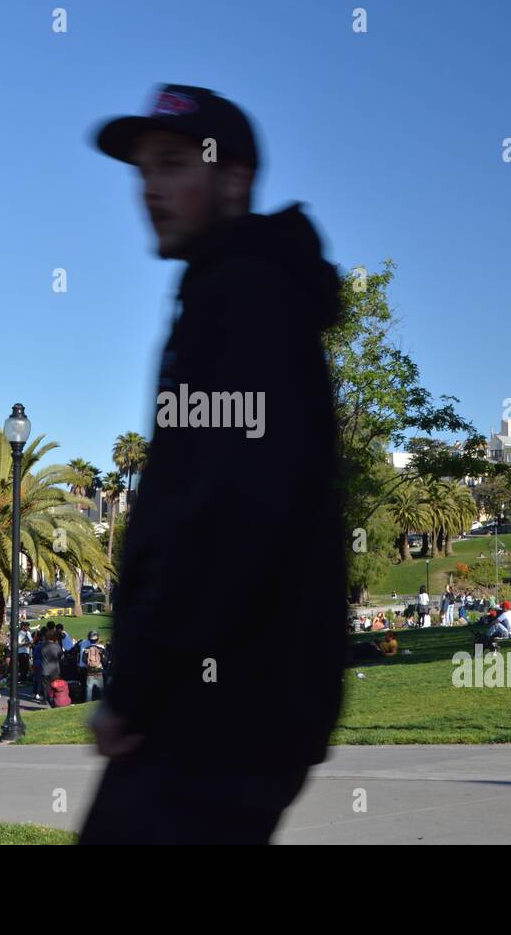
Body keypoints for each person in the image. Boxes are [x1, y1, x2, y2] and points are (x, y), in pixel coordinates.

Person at [80, 85, 346, 845]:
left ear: (232, 179)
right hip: (240, 695)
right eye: (141, 171)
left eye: (171, 166)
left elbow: (226, 508)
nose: (150, 190)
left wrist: (135, 689)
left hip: (216, 703)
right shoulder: (243, 289)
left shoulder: (242, 295)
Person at [81, 630, 107, 702]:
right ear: (97, 639)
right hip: (99, 670)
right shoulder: (101, 649)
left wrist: (89, 663)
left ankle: (88, 701)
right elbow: (105, 660)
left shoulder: (86, 649)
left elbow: (83, 660)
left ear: (89, 639)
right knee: (101, 688)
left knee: (89, 688)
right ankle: (102, 701)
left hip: (90, 671)